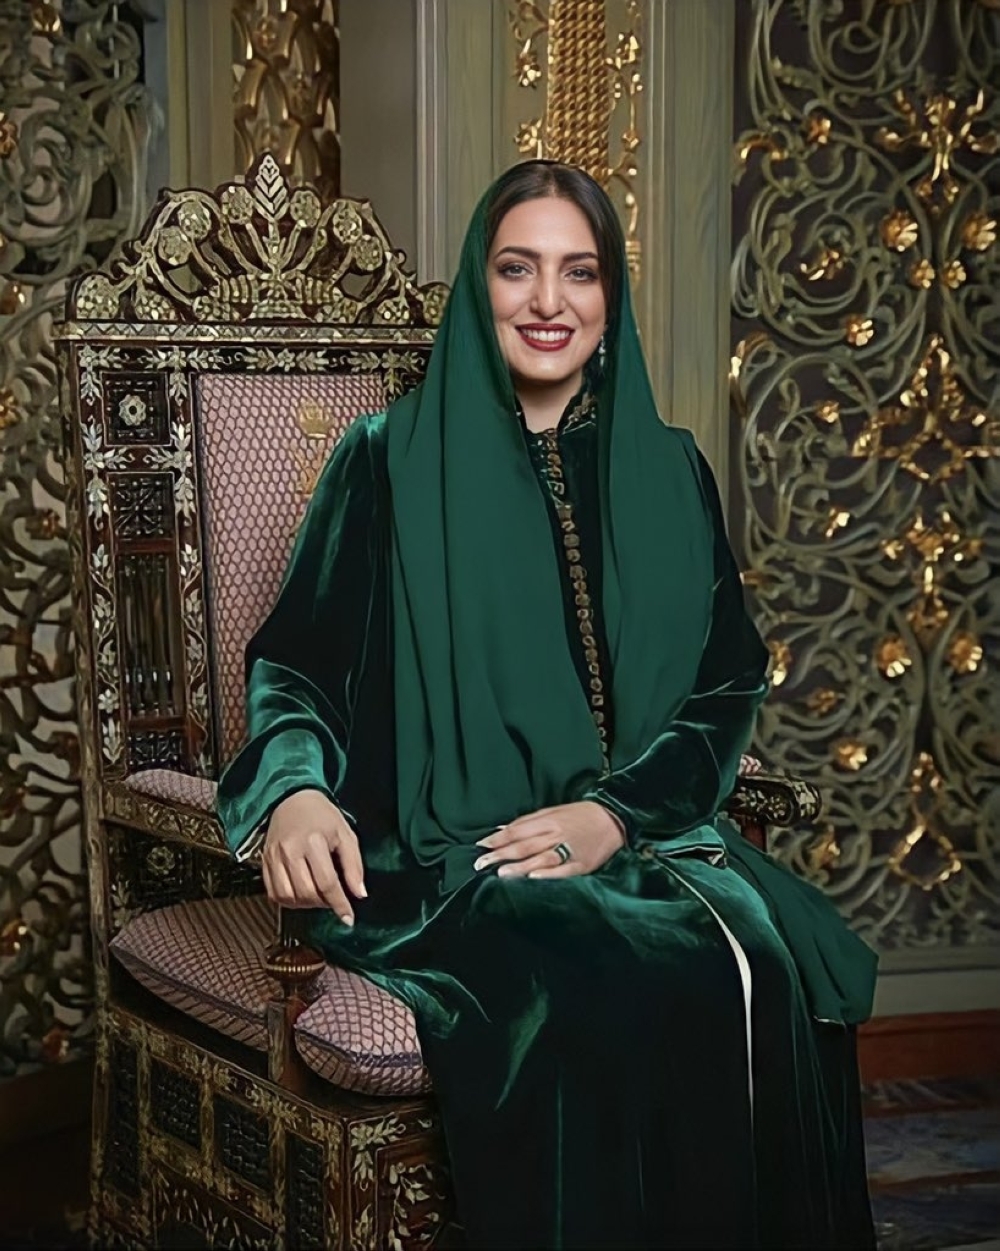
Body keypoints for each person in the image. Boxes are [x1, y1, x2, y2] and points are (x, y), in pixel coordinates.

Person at [218, 159, 878, 1250]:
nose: (547, 300)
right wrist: (292, 790)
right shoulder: (387, 462)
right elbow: (297, 665)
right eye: (516, 268)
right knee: (624, 971)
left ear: (611, 298)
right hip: (453, 856)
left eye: (580, 272)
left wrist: (614, 815)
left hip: (640, 836)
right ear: (478, 288)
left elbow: (725, 683)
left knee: (776, 963)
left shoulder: (671, 468)